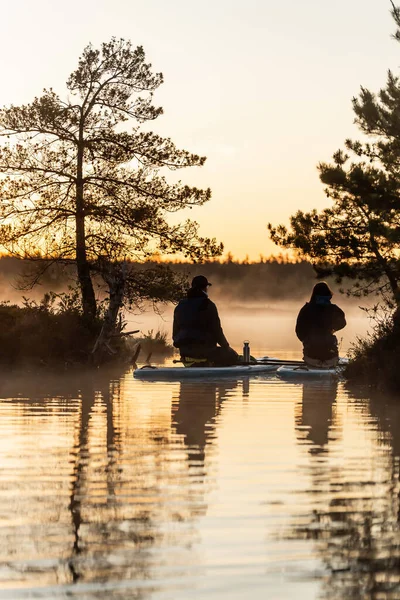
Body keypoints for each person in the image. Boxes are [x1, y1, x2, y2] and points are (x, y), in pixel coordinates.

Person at [173, 275, 239, 367]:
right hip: (206, 352)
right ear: (205, 288)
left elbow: (175, 334)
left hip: (185, 353)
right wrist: (226, 347)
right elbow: (217, 331)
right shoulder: (209, 305)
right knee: (233, 356)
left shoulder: (180, 306)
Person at [295, 282, 346, 367]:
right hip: (331, 360)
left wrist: (306, 340)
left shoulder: (306, 309)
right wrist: (333, 329)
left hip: (311, 359)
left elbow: (299, 331)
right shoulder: (334, 309)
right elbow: (343, 323)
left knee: (311, 350)